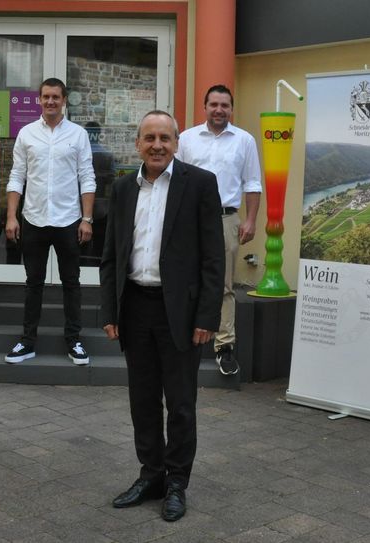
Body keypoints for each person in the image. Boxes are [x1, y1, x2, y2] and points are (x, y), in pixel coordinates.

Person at [100, 110, 224, 522]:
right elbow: (111, 257)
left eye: (165, 138)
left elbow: (212, 258)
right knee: (143, 401)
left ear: (176, 143)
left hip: (183, 314)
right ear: (137, 144)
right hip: (135, 307)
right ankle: (150, 475)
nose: (157, 145)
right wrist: (110, 310)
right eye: (150, 138)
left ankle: (176, 483)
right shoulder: (122, 188)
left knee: (181, 404)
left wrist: (208, 316)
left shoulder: (200, 185)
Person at [4, 78, 96, 366]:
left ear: (64, 99)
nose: (51, 102)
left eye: (56, 97)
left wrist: (87, 219)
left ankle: (74, 341)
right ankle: (27, 341)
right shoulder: (27, 134)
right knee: (34, 283)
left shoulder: (78, 135)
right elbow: (17, 176)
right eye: (46, 97)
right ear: (39, 100)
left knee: (71, 283)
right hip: (34, 218)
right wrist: (11, 217)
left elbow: (87, 178)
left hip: (69, 220)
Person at [176, 84, 262, 375]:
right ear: (205, 107)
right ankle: (183, 336)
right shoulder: (187, 139)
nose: (219, 110)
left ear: (231, 109)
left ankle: (224, 347)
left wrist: (250, 220)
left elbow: (252, 183)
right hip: (189, 220)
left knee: (224, 284)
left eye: (225, 105)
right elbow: (176, 182)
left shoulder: (244, 141)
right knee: (186, 279)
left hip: (226, 220)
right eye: (214, 104)